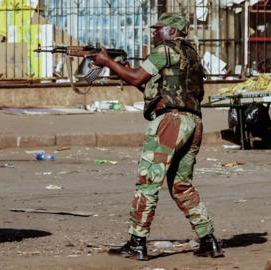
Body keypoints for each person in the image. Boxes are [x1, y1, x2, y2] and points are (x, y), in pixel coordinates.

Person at [90, 13, 224, 261]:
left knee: (148, 182)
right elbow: (150, 85)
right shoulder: (192, 54)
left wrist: (107, 62)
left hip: (170, 122)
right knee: (181, 185)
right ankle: (209, 241)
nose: (153, 33)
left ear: (172, 31)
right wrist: (118, 66)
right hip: (194, 122)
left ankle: (137, 243)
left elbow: (136, 77)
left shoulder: (165, 50)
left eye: (158, 29)